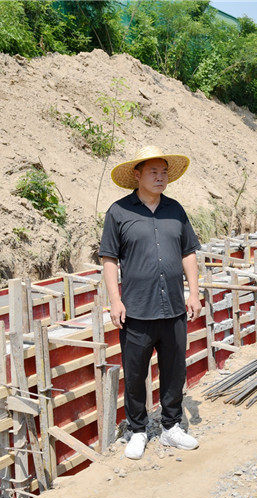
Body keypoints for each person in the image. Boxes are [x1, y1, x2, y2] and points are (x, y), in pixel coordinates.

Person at [99, 146, 202, 460]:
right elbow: (109, 258)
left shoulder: (175, 210)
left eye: (164, 172)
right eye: (153, 172)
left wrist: (194, 293)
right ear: (138, 175)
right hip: (137, 309)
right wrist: (115, 299)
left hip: (173, 307)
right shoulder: (119, 212)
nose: (160, 178)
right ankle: (138, 429)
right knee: (135, 373)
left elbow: (188, 252)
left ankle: (171, 427)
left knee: (174, 370)